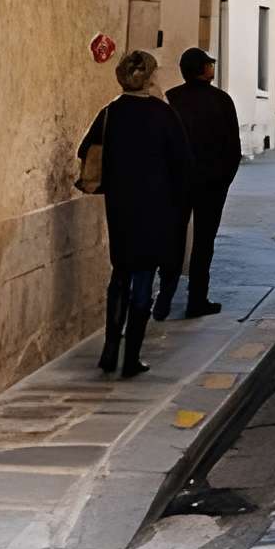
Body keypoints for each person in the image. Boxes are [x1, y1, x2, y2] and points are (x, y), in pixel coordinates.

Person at [79, 49, 191, 379]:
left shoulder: (110, 112)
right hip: (155, 206)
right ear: (150, 77)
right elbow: (183, 163)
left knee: (120, 272)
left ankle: (110, 349)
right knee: (144, 275)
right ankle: (131, 358)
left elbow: (86, 150)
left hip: (120, 204)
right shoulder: (163, 114)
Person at [157, 46, 241, 320]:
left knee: (173, 238)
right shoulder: (221, 100)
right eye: (209, 64)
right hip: (212, 184)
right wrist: (224, 179)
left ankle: (164, 297)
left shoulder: (171, 99)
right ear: (203, 70)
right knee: (204, 242)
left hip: (178, 183)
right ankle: (197, 299)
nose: (212, 67)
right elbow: (233, 147)